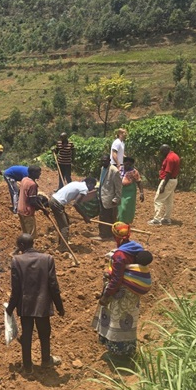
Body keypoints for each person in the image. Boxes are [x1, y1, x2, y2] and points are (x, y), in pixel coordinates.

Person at [93, 223, 153, 362]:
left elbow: (116, 279)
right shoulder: (136, 247)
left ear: (115, 236)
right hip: (133, 293)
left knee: (117, 321)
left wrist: (106, 295)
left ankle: (117, 355)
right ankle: (129, 350)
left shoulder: (120, 255)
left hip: (121, 294)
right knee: (129, 321)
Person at [6, 233, 64, 373]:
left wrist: (10, 308)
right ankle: (45, 361)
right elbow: (53, 285)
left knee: (26, 335)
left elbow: (16, 289)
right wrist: (59, 306)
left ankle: (27, 367)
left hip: (25, 305)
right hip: (43, 304)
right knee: (44, 333)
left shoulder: (17, 261)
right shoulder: (47, 259)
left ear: (21, 246)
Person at [48, 178, 97, 251]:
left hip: (54, 200)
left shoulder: (77, 184)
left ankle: (61, 243)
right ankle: (63, 248)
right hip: (57, 203)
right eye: (93, 186)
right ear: (89, 183)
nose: (93, 188)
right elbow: (76, 204)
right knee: (64, 226)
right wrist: (85, 217)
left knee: (65, 222)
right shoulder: (84, 189)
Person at [148, 145, 180, 225]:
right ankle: (166, 218)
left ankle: (157, 219)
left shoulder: (169, 158)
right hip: (174, 180)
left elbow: (168, 172)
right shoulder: (175, 156)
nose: (162, 154)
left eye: (162, 152)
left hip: (168, 180)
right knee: (169, 200)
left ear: (166, 150)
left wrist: (163, 185)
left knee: (158, 199)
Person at [98, 154, 123, 240]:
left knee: (109, 217)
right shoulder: (102, 169)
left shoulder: (114, 171)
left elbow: (119, 187)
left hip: (110, 199)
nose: (103, 162)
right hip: (102, 197)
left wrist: (116, 199)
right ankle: (103, 234)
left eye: (105, 161)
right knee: (102, 216)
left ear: (109, 161)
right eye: (102, 161)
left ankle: (110, 235)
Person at [17, 165, 43, 238]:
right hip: (27, 211)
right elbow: (32, 202)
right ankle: (30, 248)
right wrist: (43, 209)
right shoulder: (32, 185)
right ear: (33, 173)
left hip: (20, 209)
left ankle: (25, 248)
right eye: (38, 172)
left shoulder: (24, 179)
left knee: (25, 233)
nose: (40, 174)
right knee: (31, 235)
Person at [117, 156, 144, 224]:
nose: (128, 165)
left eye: (130, 164)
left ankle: (125, 221)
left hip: (129, 191)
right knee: (118, 207)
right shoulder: (119, 169)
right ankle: (119, 221)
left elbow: (139, 182)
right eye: (126, 163)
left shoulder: (134, 172)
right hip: (119, 190)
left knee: (126, 207)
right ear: (124, 163)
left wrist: (141, 193)